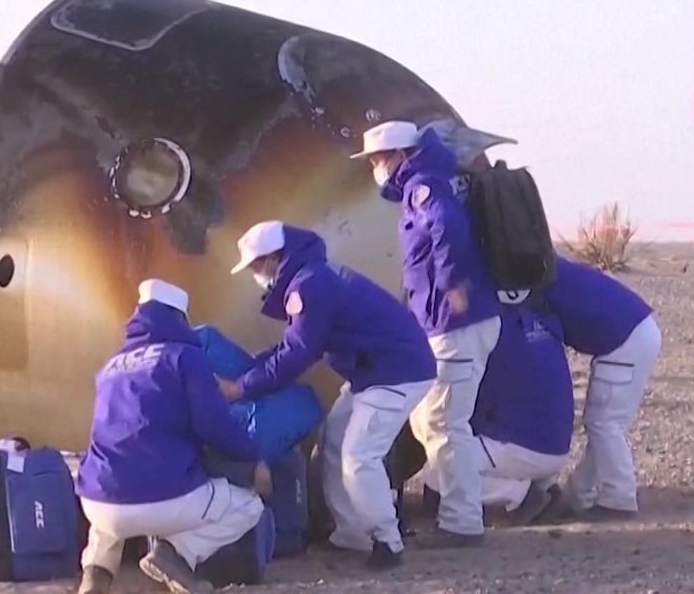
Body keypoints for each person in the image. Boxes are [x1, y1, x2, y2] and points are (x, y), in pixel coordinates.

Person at [226, 222, 437, 570]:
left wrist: (241, 387)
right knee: (335, 437)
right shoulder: (312, 277)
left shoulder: (309, 286)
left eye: (255, 266)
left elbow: (296, 355)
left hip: (396, 373)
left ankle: (387, 539)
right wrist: (256, 367)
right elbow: (295, 345)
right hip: (376, 372)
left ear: (273, 258)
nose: (255, 275)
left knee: (359, 456)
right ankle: (352, 533)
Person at [353, 121, 502, 547]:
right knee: (429, 420)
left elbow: (445, 227)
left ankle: (462, 522)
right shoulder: (433, 181)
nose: (375, 168)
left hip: (455, 325)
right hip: (448, 324)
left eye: (377, 160)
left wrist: (452, 283)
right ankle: (459, 513)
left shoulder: (424, 187)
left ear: (399, 156)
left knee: (443, 422)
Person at [74, 280, 271, 594]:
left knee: (109, 480)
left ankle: (96, 572)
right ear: (180, 318)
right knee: (249, 505)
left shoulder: (109, 367)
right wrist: (252, 457)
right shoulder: (184, 357)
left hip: (97, 506)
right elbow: (214, 425)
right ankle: (175, 555)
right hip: (165, 501)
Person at [534, 254, 661, 521]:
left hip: (623, 339)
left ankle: (619, 499)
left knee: (604, 423)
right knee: (604, 424)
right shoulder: (549, 267)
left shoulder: (536, 281)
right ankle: (579, 494)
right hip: (636, 330)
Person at [429, 300, 576, 525]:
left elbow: (466, 407)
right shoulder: (540, 316)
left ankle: (523, 497)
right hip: (556, 445)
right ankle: (544, 486)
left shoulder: (483, 331)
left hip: (520, 445)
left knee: (437, 468)